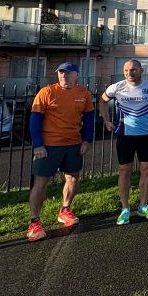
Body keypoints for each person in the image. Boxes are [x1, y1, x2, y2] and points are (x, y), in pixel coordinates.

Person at [26, 62, 96, 241]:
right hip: (49, 146)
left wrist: (87, 140)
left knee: (73, 177)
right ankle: (35, 222)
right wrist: (38, 144)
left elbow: (89, 119)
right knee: (41, 182)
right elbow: (35, 120)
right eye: (61, 73)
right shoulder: (46, 92)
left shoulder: (83, 93)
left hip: (73, 143)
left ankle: (65, 209)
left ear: (76, 75)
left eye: (68, 73)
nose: (63, 76)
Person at [100, 60, 148, 225]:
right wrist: (107, 121)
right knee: (124, 170)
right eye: (126, 70)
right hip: (125, 135)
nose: (130, 73)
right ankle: (125, 209)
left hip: (145, 135)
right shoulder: (116, 87)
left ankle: (143, 205)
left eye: (133, 69)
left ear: (141, 70)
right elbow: (102, 101)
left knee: (147, 169)